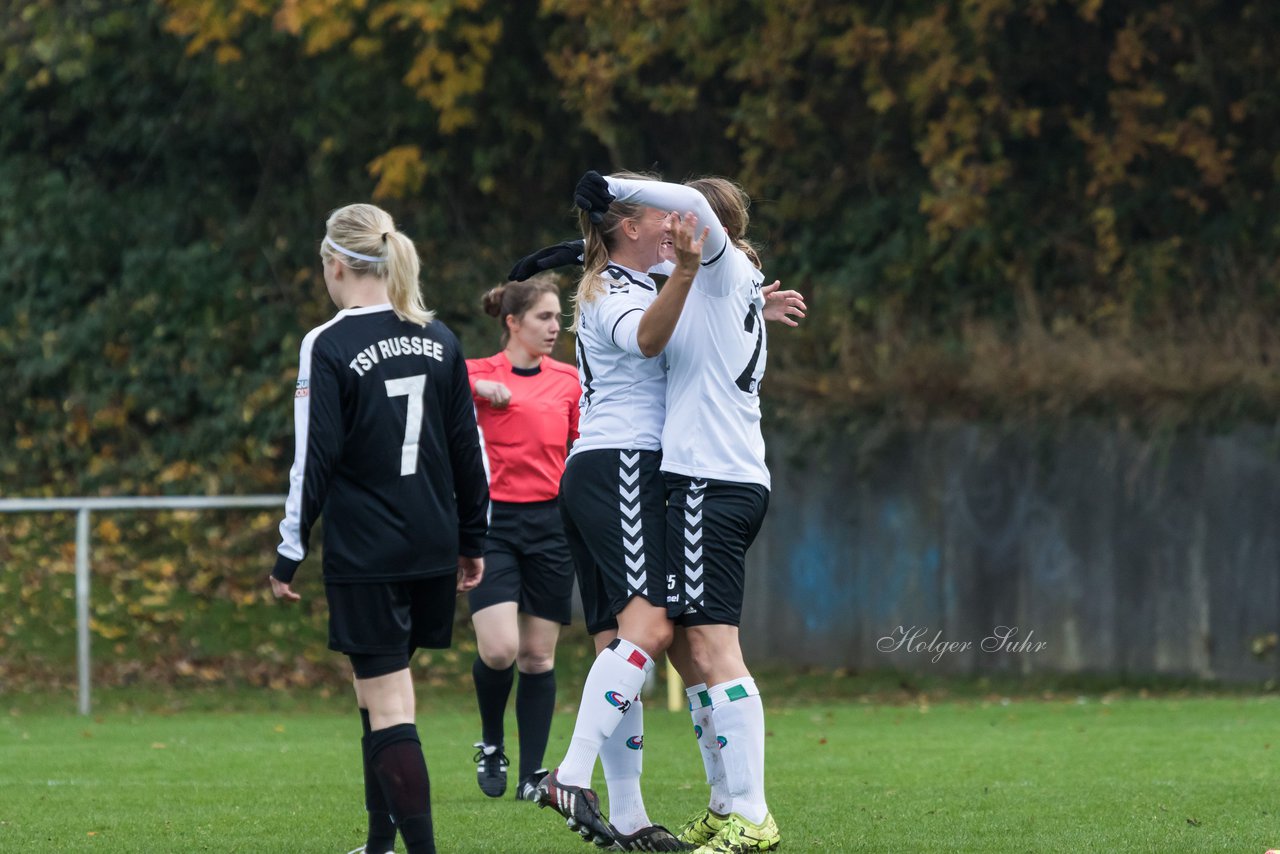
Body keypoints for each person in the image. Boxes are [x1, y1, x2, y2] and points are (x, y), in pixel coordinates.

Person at [574, 172, 787, 854]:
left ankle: (751, 813)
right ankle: (728, 805)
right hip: (717, 476)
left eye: (678, 223)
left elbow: (683, 242)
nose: (670, 230)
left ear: (707, 230)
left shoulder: (719, 266)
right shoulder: (721, 278)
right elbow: (639, 275)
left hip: (708, 478)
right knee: (695, 651)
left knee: (713, 648)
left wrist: (609, 183)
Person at [268, 203, 488, 854]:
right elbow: (468, 448)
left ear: (336, 265)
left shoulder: (329, 343)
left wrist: (289, 550)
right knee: (376, 697)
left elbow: (315, 458)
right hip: (430, 541)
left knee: (389, 705)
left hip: (369, 548)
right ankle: (378, 844)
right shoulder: (439, 337)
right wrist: (473, 539)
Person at [533, 175, 710, 853]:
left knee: (617, 647)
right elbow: (646, 341)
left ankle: (631, 819)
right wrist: (689, 274)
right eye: (664, 215)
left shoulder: (646, 274)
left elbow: (721, 275)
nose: (676, 224)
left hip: (603, 471)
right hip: (621, 467)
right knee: (654, 625)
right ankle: (569, 775)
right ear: (629, 228)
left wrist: (757, 299)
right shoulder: (610, 288)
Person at [465, 275, 581, 803]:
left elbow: (585, 449)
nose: (555, 327)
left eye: (558, 318)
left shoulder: (569, 381)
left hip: (551, 526)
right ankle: (491, 744)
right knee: (499, 649)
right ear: (512, 322)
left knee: (537, 657)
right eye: (543, 317)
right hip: (492, 526)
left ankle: (533, 775)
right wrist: (477, 389)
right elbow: (430, 374)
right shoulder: (476, 371)